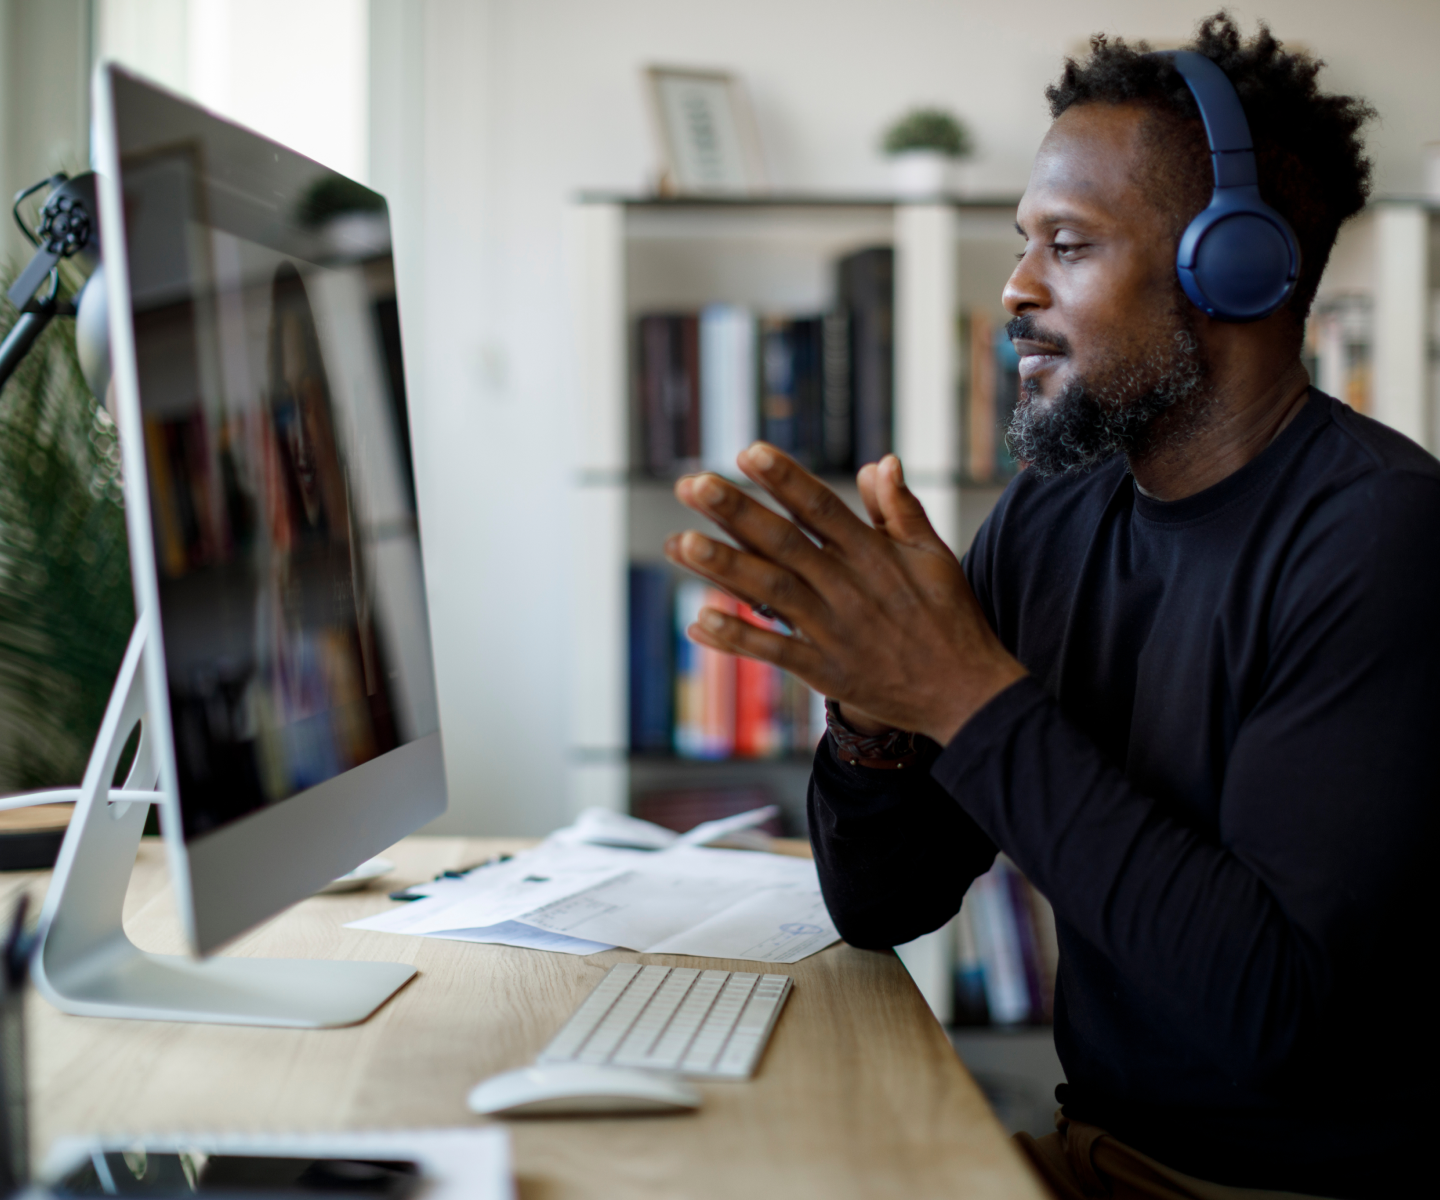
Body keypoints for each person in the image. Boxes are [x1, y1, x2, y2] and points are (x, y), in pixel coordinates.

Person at [664, 14, 1434, 1200]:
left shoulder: (1381, 539)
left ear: (1234, 267)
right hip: (1092, 1155)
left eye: (1067, 245)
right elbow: (886, 904)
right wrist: (874, 716)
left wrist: (964, 694)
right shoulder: (1050, 518)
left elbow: (1276, 1022)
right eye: (1026, 242)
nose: (1017, 287)